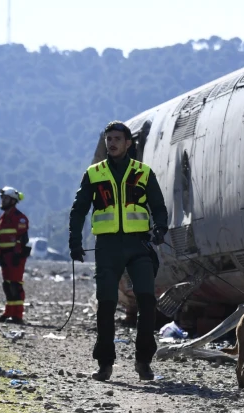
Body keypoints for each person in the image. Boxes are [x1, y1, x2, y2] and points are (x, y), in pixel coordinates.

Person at [68, 121, 168, 382]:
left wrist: (161, 227)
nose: (111, 143)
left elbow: (158, 206)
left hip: (138, 245)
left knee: (147, 301)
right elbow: (79, 209)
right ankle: (105, 364)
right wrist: (74, 241)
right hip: (107, 247)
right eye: (108, 139)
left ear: (128, 143)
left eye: (117, 139)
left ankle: (143, 361)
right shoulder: (94, 173)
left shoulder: (143, 173)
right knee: (106, 304)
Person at [0, 187, 30, 324]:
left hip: (15, 257)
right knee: (7, 285)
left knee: (15, 285)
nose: (3, 201)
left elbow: (22, 238)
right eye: (3, 198)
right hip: (4, 257)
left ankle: (17, 315)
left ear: (13, 201)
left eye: (6, 198)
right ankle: (8, 312)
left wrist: (17, 254)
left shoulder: (19, 218)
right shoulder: (2, 219)